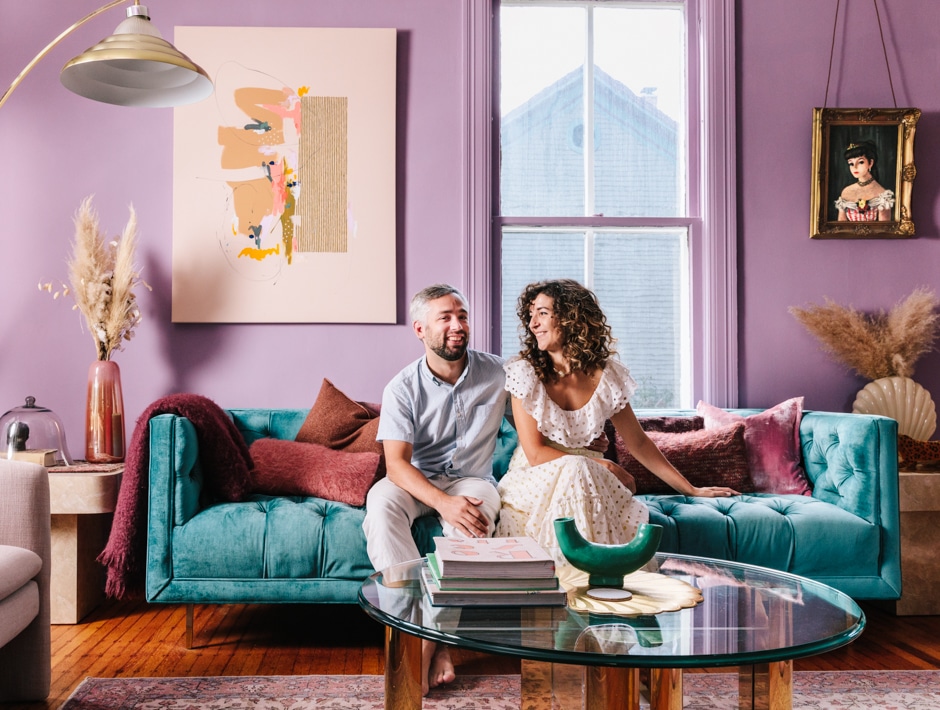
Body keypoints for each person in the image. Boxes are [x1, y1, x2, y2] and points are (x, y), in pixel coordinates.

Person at [495, 279, 739, 564]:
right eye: (531, 314)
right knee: (575, 470)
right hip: (536, 478)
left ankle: (592, 581)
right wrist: (603, 464)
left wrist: (690, 489)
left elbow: (637, 442)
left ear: (572, 317)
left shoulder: (606, 376)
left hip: (591, 480)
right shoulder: (525, 373)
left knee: (579, 474)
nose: (533, 323)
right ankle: (579, 576)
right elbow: (535, 454)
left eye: (543, 313)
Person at [362, 283, 508, 696]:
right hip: (417, 479)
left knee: (473, 523)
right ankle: (428, 636)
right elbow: (396, 465)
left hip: (473, 478)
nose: (457, 325)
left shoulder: (498, 373)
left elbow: (538, 426)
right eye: (445, 318)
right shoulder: (401, 387)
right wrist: (444, 502)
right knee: (380, 503)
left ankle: (423, 647)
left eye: (461, 316)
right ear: (420, 329)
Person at [835, 141, 895, 222]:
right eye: (851, 164)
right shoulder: (846, 191)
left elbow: (884, 229)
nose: (855, 167)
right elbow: (841, 226)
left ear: (870, 163)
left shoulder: (882, 194)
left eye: (860, 162)